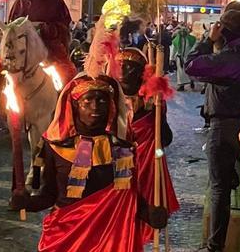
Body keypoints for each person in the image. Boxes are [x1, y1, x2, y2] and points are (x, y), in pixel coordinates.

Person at [10, 74, 168, 251]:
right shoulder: (54, 147)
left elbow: (129, 198)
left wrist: (150, 214)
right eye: (88, 101)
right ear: (75, 106)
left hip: (112, 239)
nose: (95, 107)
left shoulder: (123, 148)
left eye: (102, 101)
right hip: (67, 238)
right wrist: (27, 203)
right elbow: (49, 195)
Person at [185, 9, 240, 252]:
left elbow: (191, 65)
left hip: (225, 126)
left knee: (220, 187)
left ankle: (216, 245)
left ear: (223, 30)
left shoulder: (227, 58)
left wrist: (207, 40)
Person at [117, 48, 179, 245]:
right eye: (121, 68)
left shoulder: (152, 102)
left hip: (147, 164)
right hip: (117, 166)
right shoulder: (108, 97)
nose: (125, 74)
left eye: (132, 69)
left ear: (142, 73)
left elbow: (165, 139)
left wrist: (158, 117)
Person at [171, 26, 196, 91]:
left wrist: (193, 55)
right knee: (181, 72)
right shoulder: (177, 40)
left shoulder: (191, 39)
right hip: (180, 58)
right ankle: (182, 86)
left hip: (189, 58)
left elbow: (194, 48)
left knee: (190, 71)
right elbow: (174, 49)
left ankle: (191, 81)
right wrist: (172, 58)